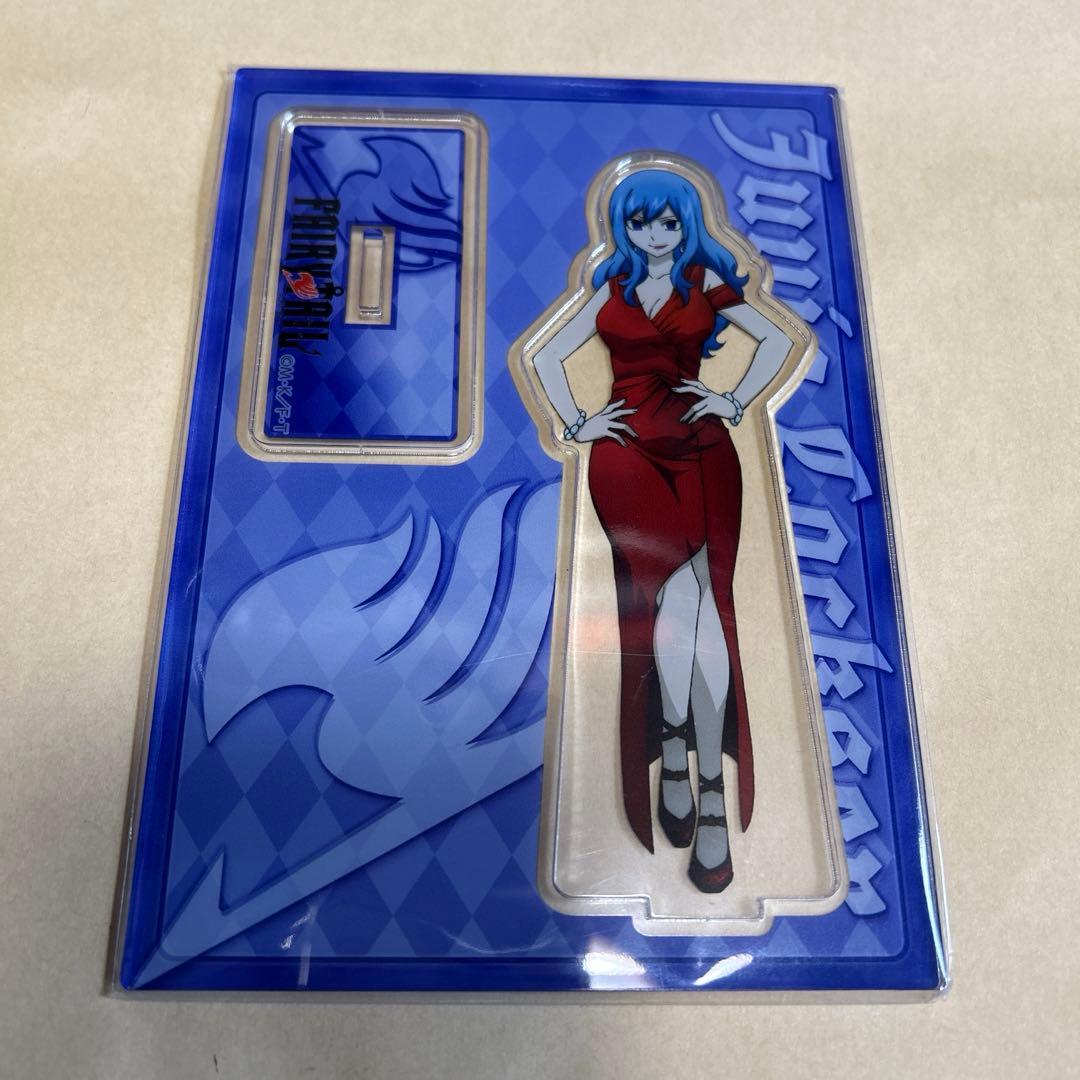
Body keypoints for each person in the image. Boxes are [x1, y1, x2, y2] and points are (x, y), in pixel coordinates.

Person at [531, 167, 793, 892]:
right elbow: (547, 356)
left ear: (686, 226)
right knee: (671, 609)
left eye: (668, 222)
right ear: (624, 228)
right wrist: (578, 422)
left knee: (706, 616)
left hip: (703, 453)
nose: (655, 234)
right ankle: (686, 764)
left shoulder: (704, 284)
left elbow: (776, 340)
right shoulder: (611, 291)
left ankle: (696, 771)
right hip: (627, 461)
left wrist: (733, 399)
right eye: (641, 222)